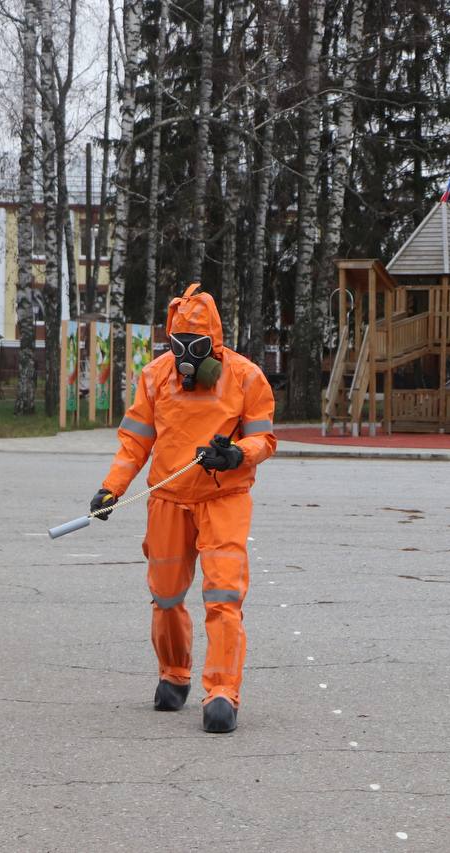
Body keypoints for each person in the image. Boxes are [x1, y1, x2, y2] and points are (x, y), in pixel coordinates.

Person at [93, 283, 276, 733]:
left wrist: (237, 455)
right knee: (167, 595)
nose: (186, 357)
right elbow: (135, 440)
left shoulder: (246, 376)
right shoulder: (156, 376)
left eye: (196, 347)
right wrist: (111, 489)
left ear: (214, 344)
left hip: (223, 500)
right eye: (178, 345)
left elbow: (264, 438)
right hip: (168, 501)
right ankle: (174, 674)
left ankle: (221, 693)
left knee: (223, 596)